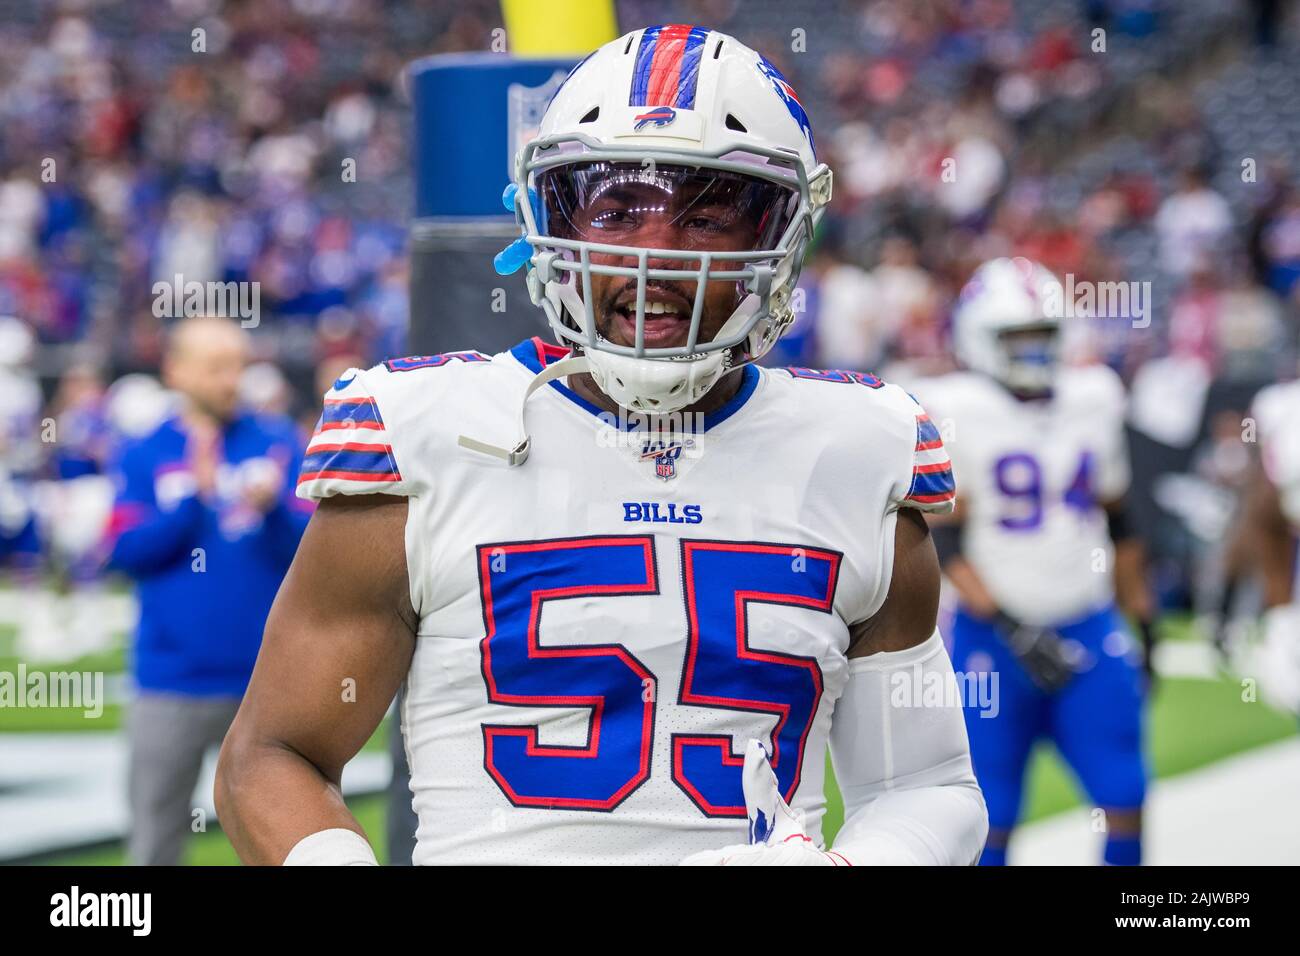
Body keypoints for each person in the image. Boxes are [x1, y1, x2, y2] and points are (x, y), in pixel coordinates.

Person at [216, 25, 988, 866]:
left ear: (783, 238)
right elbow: (274, 756)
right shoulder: (425, 435)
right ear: (548, 221)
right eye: (618, 210)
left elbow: (925, 785)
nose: (656, 256)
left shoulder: (857, 452)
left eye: (710, 215)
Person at [909, 257, 1153, 865]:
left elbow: (1121, 522)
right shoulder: (956, 404)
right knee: (988, 813)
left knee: (1125, 791)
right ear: (979, 340)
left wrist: (1141, 620)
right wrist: (1012, 625)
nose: (1033, 350)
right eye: (1017, 337)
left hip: (1088, 622)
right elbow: (945, 539)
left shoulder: (1093, 396)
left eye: (1042, 335)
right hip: (993, 638)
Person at [107, 316, 312, 865]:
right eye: (217, 367)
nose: (231, 381)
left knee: (287, 838)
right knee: (155, 839)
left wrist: (273, 514)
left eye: (238, 366)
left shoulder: (274, 440)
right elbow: (124, 553)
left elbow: (311, 554)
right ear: (176, 370)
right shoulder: (143, 451)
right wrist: (191, 502)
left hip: (262, 680)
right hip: (168, 680)